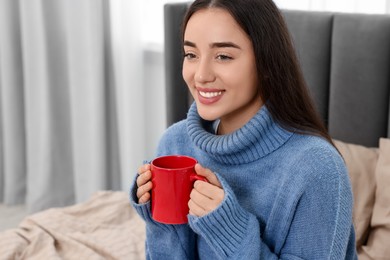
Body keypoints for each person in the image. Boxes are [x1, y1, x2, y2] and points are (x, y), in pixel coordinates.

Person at [130, 0, 357, 259]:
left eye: (223, 56)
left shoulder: (317, 169)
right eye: (191, 54)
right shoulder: (175, 144)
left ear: (266, 61)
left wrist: (230, 230)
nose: (201, 75)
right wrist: (160, 222)